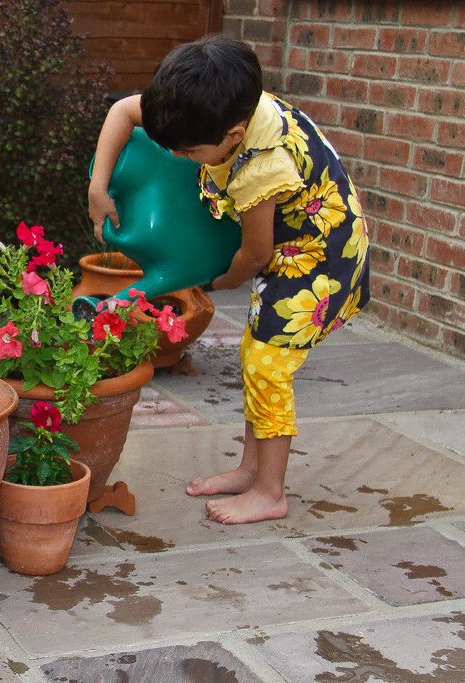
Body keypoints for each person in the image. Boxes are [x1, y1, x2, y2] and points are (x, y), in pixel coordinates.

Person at [88, 34, 370, 525]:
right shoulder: (205, 107)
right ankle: (249, 469)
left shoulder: (260, 168)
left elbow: (255, 253)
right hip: (293, 242)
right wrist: (98, 186)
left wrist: (218, 282)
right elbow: (122, 113)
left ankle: (269, 491)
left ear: (235, 133)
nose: (176, 157)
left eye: (187, 151)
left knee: (267, 366)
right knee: (255, 356)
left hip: (317, 259)